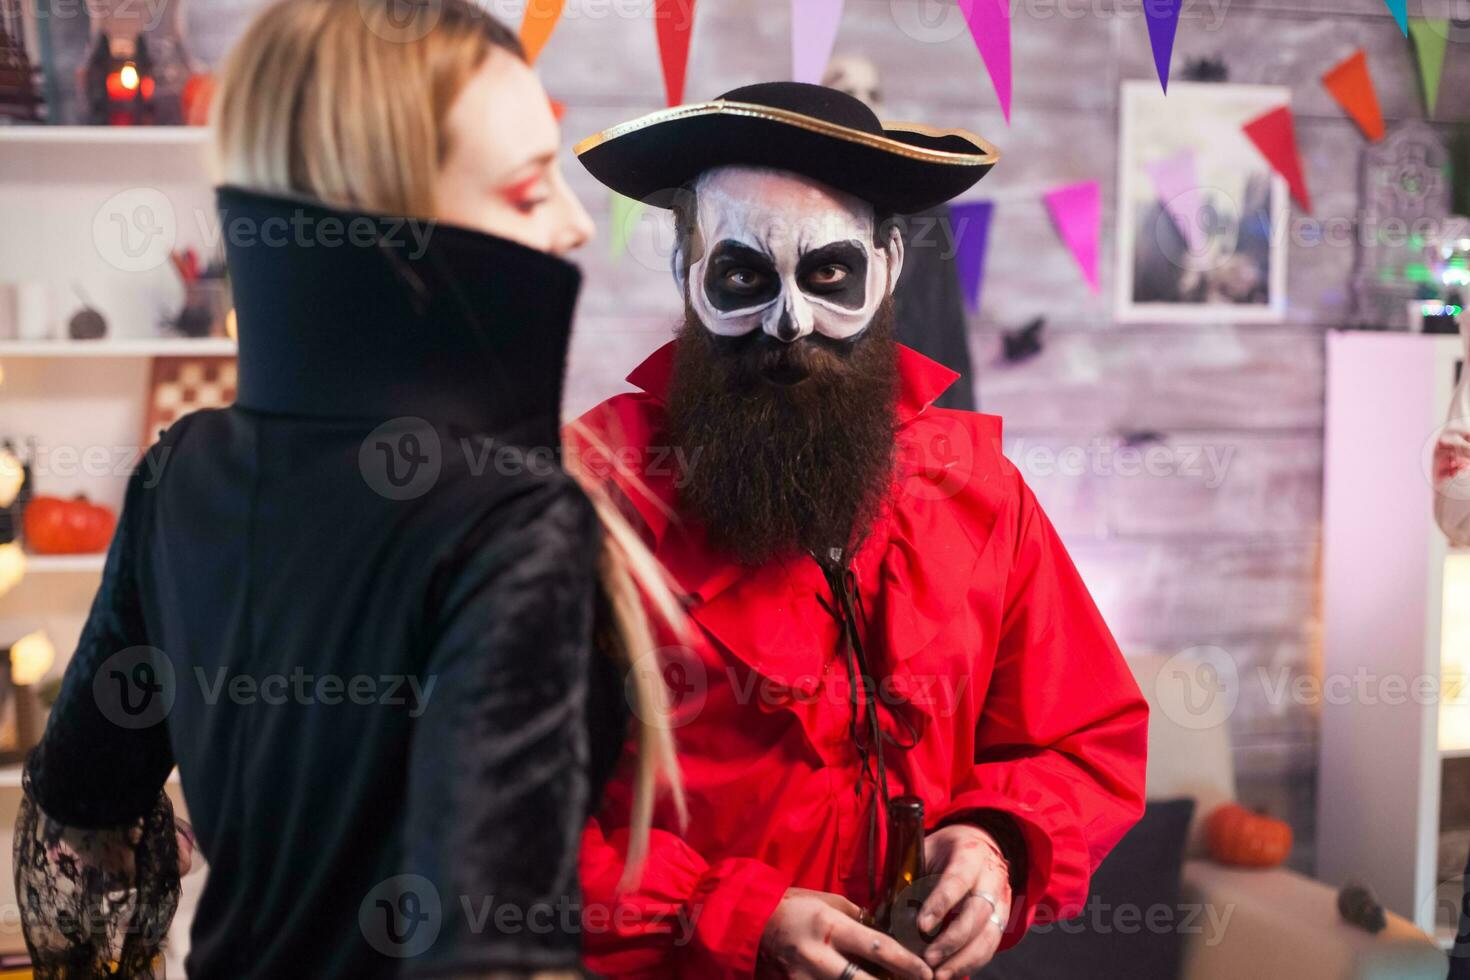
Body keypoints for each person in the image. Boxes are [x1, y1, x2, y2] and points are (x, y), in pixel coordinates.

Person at [14, 2, 682, 977]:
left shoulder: (180, 468)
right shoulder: (513, 523)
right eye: (531, 190)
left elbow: (80, 794)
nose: (578, 226)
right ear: (395, 228)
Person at [566, 82, 1150, 980]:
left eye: (829, 275)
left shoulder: (978, 491)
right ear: (689, 275)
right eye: (744, 278)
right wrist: (729, 915)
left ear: (887, 269)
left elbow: (1084, 736)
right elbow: (498, 808)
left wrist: (997, 842)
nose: (790, 323)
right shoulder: (593, 496)